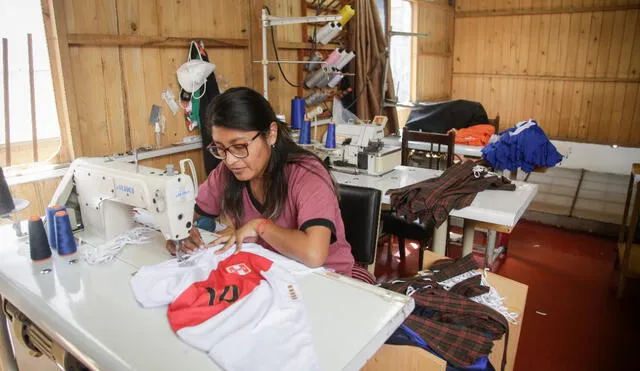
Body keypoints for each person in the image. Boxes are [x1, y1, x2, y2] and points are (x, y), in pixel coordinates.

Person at [165, 87, 375, 284]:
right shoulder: (227, 171)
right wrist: (178, 233)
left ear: (271, 133)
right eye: (220, 149)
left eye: (239, 147)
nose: (230, 160)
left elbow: (314, 254)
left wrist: (260, 226)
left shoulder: (306, 174)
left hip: (331, 280)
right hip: (276, 274)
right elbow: (187, 214)